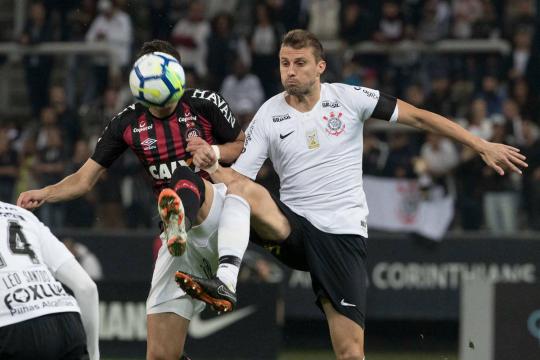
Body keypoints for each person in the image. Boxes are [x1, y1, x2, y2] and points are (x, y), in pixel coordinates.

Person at [177, 29, 528, 360]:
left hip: (341, 235)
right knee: (232, 188)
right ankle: (220, 275)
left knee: (350, 352)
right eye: (285, 63)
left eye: (300, 63)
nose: (291, 71)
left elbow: (419, 118)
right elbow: (239, 179)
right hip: (293, 228)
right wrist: (210, 161)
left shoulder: (349, 98)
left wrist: (479, 144)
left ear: (320, 67)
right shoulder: (269, 113)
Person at [17, 39, 249, 360]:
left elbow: (241, 144)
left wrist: (214, 153)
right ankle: (176, 222)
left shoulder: (204, 103)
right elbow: (84, 179)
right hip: (177, 239)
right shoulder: (126, 123)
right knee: (160, 354)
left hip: (219, 212)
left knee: (187, 177)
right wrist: (45, 192)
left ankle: (181, 215)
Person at [0, 201, 99, 360]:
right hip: (67, 321)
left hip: (12, 327)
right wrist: (94, 355)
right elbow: (87, 288)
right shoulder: (23, 214)